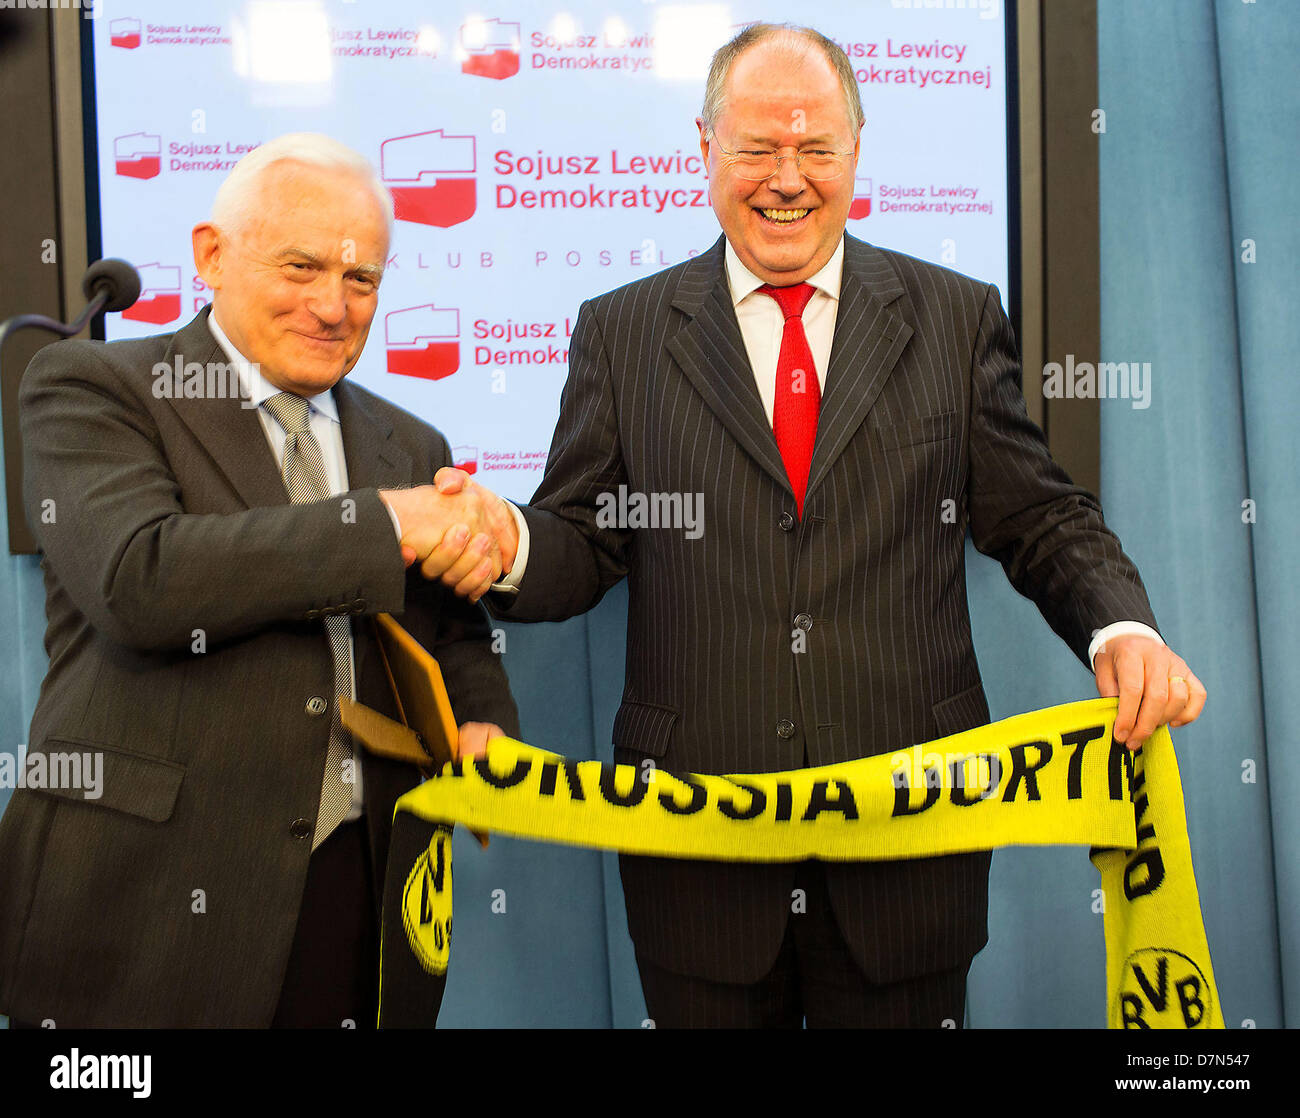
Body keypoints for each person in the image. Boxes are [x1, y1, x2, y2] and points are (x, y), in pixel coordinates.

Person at [421, 24, 1208, 1027]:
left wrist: (1120, 624)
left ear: (856, 150)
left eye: (813, 149)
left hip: (907, 854)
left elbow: (1040, 513)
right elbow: (584, 538)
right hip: (697, 856)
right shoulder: (619, 330)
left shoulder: (954, 315)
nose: (784, 178)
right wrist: (508, 539)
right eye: (755, 148)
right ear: (703, 148)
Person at [0, 134, 519, 1028]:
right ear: (211, 256)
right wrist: (387, 525)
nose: (333, 305)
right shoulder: (91, 386)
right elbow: (141, 578)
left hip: (355, 895)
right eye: (300, 267)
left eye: (361, 281)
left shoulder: (412, 445)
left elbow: (451, 637)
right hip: (144, 909)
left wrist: (486, 726)